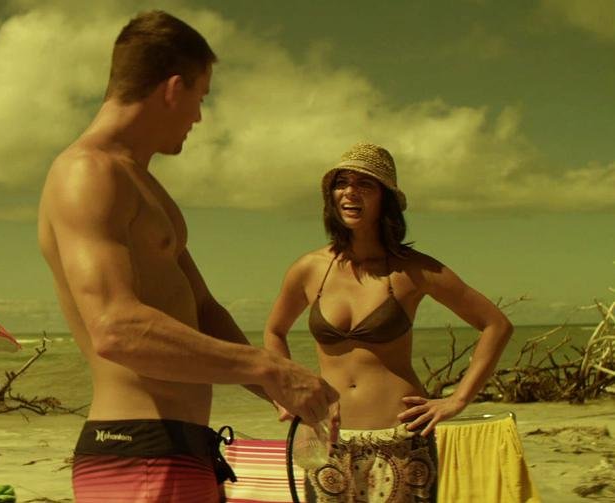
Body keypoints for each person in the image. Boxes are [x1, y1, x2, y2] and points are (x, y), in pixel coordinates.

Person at [37, 9, 339, 502]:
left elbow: (203, 310)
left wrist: (284, 390)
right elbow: (115, 328)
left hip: (180, 455)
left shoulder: (144, 187)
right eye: (201, 98)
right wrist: (269, 368)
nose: (198, 117)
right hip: (138, 455)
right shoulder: (87, 172)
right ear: (173, 89)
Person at [263, 142, 513, 501]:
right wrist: (285, 393)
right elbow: (274, 332)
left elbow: (496, 325)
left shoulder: (414, 270)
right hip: (327, 440)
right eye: (342, 183)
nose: (350, 192)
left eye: (365, 184)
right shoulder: (309, 269)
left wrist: (457, 400)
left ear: (386, 199)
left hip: (401, 439)